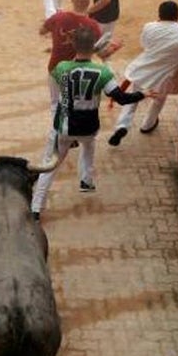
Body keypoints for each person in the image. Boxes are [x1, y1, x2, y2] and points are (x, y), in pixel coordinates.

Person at [31, 26, 145, 218]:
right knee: (88, 147)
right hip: (88, 126)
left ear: (73, 45)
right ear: (93, 46)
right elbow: (121, 98)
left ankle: (35, 208)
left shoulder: (61, 68)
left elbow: (56, 95)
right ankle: (86, 180)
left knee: (49, 165)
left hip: (64, 126)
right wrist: (143, 94)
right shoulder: (102, 73)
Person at [108, 1, 178, 146]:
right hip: (164, 77)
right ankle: (147, 125)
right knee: (158, 102)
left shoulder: (149, 26)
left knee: (132, 100)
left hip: (144, 72)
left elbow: (145, 44)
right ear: (177, 15)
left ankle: (121, 126)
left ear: (159, 14)